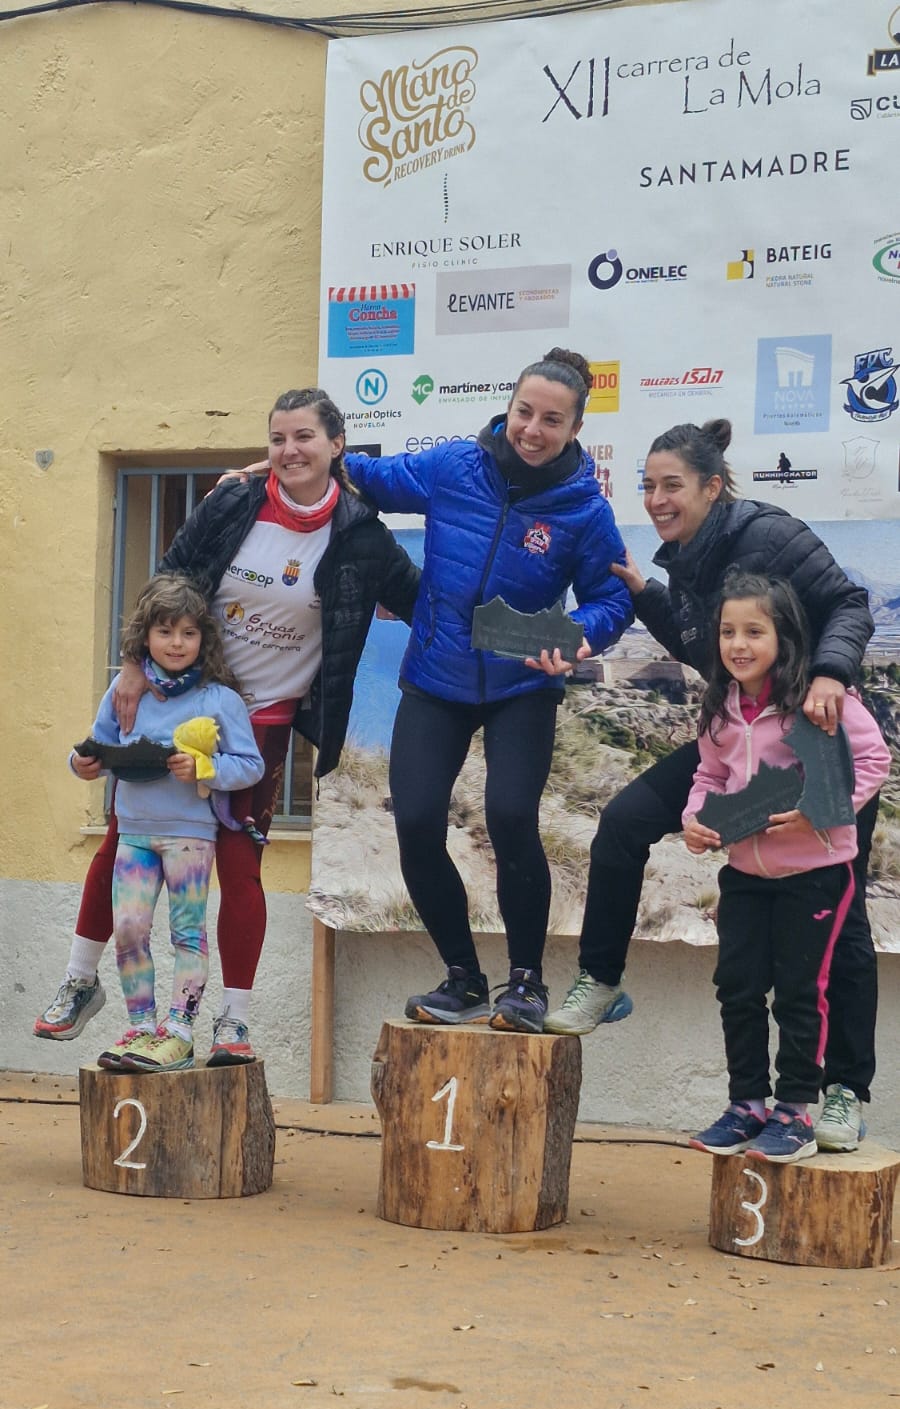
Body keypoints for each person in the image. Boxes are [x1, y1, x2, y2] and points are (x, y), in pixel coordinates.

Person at [35, 388, 421, 1061]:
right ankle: (78, 982)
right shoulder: (234, 500)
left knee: (240, 869)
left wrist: (504, 651)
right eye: (277, 439)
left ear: (337, 445)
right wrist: (133, 663)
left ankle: (232, 1023)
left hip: (262, 725)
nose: (289, 450)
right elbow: (169, 579)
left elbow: (424, 604)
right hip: (176, 705)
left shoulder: (361, 536)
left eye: (304, 437)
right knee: (121, 841)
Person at [544, 419, 879, 1154]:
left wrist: (829, 675)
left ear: (712, 486)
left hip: (821, 736)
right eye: (649, 486)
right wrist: (642, 594)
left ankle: (843, 1093)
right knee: (628, 820)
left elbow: (850, 603)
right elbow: (705, 647)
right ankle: (600, 981)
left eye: (673, 485)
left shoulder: (769, 534)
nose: (658, 499)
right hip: (740, 741)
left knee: (838, 934)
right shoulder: (685, 558)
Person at [343, 348, 633, 1033]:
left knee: (509, 818)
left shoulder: (584, 510)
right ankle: (463, 979)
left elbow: (611, 598)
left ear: (573, 427)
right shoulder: (453, 466)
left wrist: (580, 634)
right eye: (524, 412)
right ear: (509, 407)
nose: (533, 429)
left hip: (520, 685)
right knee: (415, 822)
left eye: (551, 420)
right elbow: (369, 479)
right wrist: (295, 463)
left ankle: (526, 984)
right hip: (437, 676)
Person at [682, 573, 890, 1163]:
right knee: (737, 988)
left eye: (754, 631)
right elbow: (710, 777)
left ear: (785, 636)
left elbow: (874, 759)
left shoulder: (819, 700)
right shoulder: (720, 706)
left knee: (802, 992)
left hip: (817, 875)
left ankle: (795, 1112)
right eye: (727, 632)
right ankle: (746, 1104)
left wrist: (816, 811)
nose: (738, 644)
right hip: (744, 875)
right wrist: (696, 817)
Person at [72, 575, 266, 1071]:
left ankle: (179, 1030)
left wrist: (206, 768)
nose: (176, 644)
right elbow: (96, 744)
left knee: (187, 933)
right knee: (130, 929)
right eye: (164, 632)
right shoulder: (124, 689)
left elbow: (250, 765)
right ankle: (141, 1027)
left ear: (204, 638)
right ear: (145, 638)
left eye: (188, 633)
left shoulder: (219, 698)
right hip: (133, 832)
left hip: (190, 837)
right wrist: (82, 764)